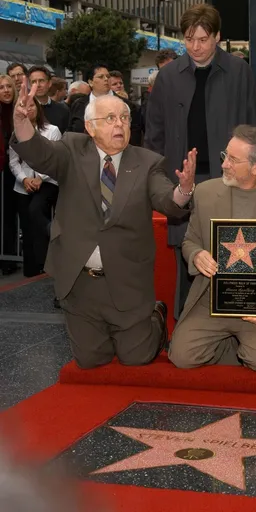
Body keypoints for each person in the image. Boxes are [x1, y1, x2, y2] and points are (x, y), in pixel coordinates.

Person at [11, 85, 196, 369]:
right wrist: (23, 123)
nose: (119, 124)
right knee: (90, 360)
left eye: (123, 117)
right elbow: (39, 154)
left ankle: (155, 318)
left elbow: (165, 199)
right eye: (109, 119)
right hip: (80, 280)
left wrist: (183, 189)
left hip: (126, 278)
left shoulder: (147, 162)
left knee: (136, 358)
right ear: (90, 127)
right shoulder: (72, 149)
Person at [145, 3, 256, 319]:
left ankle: (236, 327)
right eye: (189, 39)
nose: (195, 47)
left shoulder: (239, 72)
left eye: (203, 39)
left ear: (218, 37)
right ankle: (186, 326)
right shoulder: (168, 77)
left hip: (229, 181)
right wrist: (160, 186)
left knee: (235, 254)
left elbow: (253, 129)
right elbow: (154, 136)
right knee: (188, 256)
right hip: (184, 184)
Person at [169, 125, 256, 371]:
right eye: (225, 155)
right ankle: (229, 345)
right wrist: (197, 255)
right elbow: (189, 241)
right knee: (181, 357)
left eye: (233, 159)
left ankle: (236, 344)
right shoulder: (206, 193)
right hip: (210, 301)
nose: (224, 164)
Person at [9, 97, 61, 277]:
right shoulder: (16, 132)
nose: (29, 109)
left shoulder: (52, 131)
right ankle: (31, 270)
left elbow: (56, 158)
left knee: (36, 211)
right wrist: (24, 179)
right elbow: (13, 162)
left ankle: (46, 260)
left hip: (47, 182)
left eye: (32, 105)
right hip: (22, 185)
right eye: (24, 106)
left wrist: (40, 177)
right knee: (27, 224)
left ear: (38, 109)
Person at [68, 64, 142, 146]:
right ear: (90, 82)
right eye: (101, 77)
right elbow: (71, 132)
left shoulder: (126, 105)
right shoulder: (78, 105)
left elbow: (135, 136)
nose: (106, 79)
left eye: (108, 76)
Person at [0, 74, 19, 275]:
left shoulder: (18, 112)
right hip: (2, 168)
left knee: (10, 217)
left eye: (8, 86)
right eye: (1, 87)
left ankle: (10, 257)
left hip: (15, 170)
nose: (5, 90)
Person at [27, 66, 69, 134]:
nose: (38, 85)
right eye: (34, 82)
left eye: (41, 81)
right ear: (29, 85)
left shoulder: (62, 109)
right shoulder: (24, 110)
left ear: (49, 83)